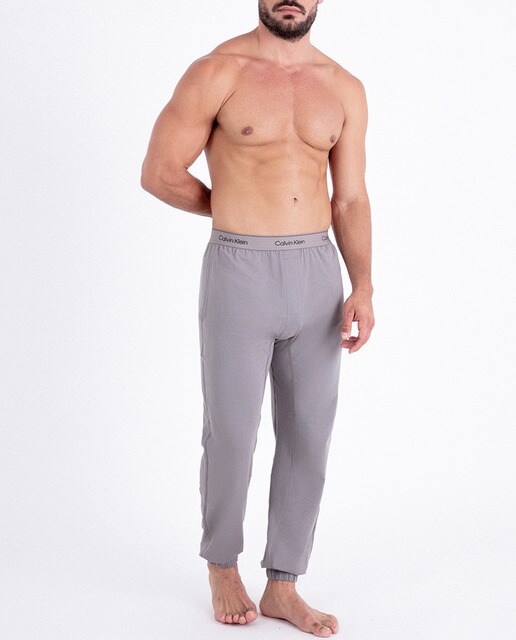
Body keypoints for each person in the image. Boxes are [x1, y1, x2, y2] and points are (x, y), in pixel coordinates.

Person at [140, 0, 374, 636]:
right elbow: (159, 173)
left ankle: (283, 585)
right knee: (232, 432)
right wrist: (234, 205)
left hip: (317, 271)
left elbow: (351, 196)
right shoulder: (218, 71)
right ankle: (222, 565)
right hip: (239, 268)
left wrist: (363, 284)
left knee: (308, 435)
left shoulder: (344, 87)